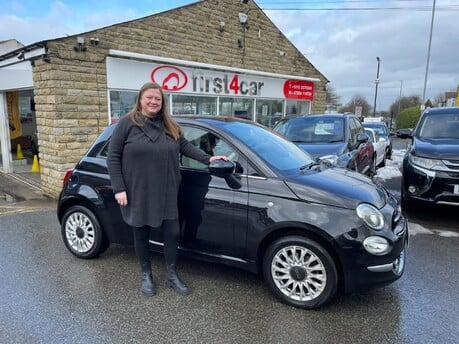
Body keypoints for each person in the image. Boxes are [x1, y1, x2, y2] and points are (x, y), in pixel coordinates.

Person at [107, 82, 228, 296]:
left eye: (157, 99)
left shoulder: (169, 125)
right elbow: (113, 156)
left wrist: (209, 158)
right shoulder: (127, 124)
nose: (153, 101)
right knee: (141, 233)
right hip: (138, 190)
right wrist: (119, 188)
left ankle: (171, 275)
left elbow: (185, 147)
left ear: (162, 103)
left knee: (172, 233)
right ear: (140, 100)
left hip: (166, 190)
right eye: (149, 98)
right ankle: (146, 275)